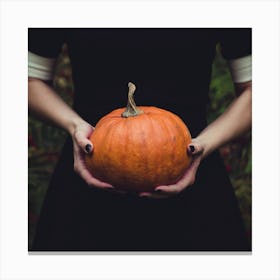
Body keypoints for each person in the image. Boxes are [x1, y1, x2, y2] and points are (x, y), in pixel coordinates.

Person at [28, 28, 252, 251]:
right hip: (89, 167)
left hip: (192, 167)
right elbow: (28, 78)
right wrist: (75, 125)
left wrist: (204, 143)